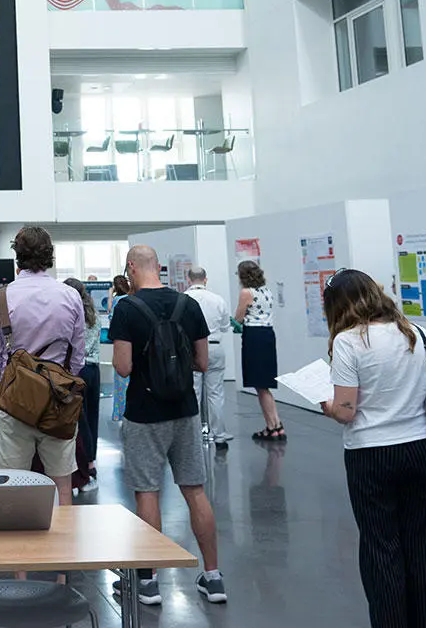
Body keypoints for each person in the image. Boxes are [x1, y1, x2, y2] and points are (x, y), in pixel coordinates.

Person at [320, 268, 426, 628]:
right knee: (422, 547)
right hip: (422, 449)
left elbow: (345, 411)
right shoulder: (417, 332)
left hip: (371, 454)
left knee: (381, 548)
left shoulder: (348, 341)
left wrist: (325, 404)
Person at [110, 245, 225, 606]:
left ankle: (148, 581)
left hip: (144, 413)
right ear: (158, 266)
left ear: (131, 267)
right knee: (195, 491)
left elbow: (123, 368)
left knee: (148, 492)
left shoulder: (126, 308)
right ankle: (213, 577)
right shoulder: (187, 304)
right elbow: (203, 362)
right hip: (185, 410)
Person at [0, 226, 86, 502]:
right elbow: (78, 357)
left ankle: (15, 532)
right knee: (61, 483)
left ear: (17, 256)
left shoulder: (1, 297)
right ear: (49, 255)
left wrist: (22, 380)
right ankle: (62, 531)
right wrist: (55, 380)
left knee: (9, 484)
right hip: (59, 400)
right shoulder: (70, 295)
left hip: (15, 403)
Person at [235, 260, 283, 441]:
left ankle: (271, 426)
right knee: (264, 384)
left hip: (253, 336)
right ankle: (276, 424)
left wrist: (233, 323)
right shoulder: (267, 291)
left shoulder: (246, 293)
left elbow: (238, 318)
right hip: (268, 335)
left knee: (260, 385)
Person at [186, 267, 233, 447]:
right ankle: (219, 435)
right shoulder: (218, 300)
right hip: (214, 347)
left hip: (192, 349)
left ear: (189, 280)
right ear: (205, 279)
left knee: (194, 392)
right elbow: (225, 326)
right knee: (216, 393)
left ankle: (195, 436)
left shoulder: (184, 299)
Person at [63, 277, 102, 493]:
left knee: (79, 420)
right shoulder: (93, 315)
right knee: (92, 418)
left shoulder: (70, 315)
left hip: (76, 371)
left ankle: (82, 468)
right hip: (93, 371)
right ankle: (91, 462)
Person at [110, 273, 131, 422]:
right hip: (133, 345)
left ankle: (120, 411)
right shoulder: (132, 298)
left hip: (120, 345)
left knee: (120, 381)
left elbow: (110, 316)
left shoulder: (117, 301)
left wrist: (109, 295)